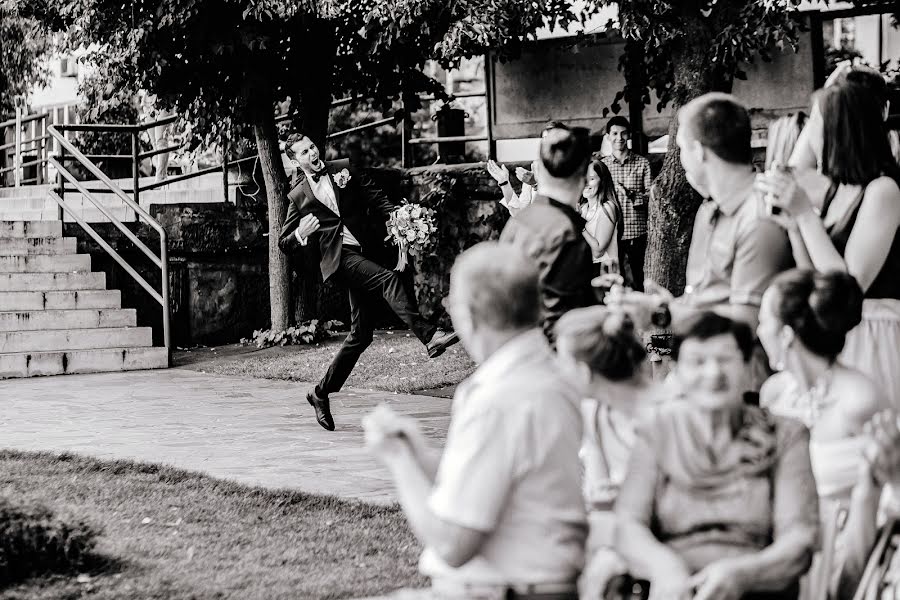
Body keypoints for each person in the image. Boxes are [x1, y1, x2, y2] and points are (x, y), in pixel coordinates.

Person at [363, 241, 587, 600]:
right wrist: (418, 451)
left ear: (469, 314)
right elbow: (493, 479)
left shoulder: (498, 399)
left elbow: (453, 544)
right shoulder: (553, 375)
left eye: (450, 304)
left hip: (505, 590)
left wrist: (397, 459)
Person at [615, 312, 820, 600]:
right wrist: (665, 568)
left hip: (756, 591)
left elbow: (799, 540)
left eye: (725, 359)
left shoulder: (786, 434)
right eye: (698, 361)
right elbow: (627, 525)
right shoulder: (657, 430)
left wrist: (742, 575)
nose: (713, 373)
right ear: (677, 371)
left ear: (749, 367)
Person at [609, 93, 794, 390]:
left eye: (681, 149)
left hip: (739, 386)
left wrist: (663, 314)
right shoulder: (708, 210)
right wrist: (657, 311)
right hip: (698, 372)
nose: (681, 161)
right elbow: (702, 299)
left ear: (700, 151)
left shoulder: (760, 216)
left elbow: (745, 324)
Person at [278, 132, 458, 431]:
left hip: (363, 250)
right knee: (388, 280)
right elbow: (284, 242)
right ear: (295, 160)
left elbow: (375, 197)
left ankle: (319, 393)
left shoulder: (343, 169)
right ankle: (429, 336)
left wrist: (402, 218)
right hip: (339, 259)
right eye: (304, 152)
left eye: (313, 147)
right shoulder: (297, 194)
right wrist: (301, 234)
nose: (312, 153)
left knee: (361, 335)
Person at [757, 80, 900, 412]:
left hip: (874, 334)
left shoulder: (883, 190)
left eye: (817, 124)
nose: (812, 135)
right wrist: (795, 227)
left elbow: (850, 286)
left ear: (840, 130)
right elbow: (816, 278)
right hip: (839, 334)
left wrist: (805, 214)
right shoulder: (838, 191)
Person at [757, 269, 885, 600]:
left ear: (785, 335)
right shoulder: (773, 395)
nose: (759, 332)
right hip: (780, 553)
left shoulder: (861, 400)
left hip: (846, 555)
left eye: (763, 322)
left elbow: (888, 492)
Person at [554, 306, 662, 600]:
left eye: (562, 362)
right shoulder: (595, 414)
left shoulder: (665, 414)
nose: (558, 372)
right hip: (623, 538)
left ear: (584, 372)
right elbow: (598, 497)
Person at [499, 124, 596, 345]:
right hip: (552, 357)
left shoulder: (518, 222)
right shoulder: (567, 233)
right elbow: (563, 323)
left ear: (541, 168)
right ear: (585, 174)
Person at [601, 116, 651, 291]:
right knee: (616, 278)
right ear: (608, 136)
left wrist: (632, 194)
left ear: (629, 135)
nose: (619, 138)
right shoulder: (603, 166)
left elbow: (651, 198)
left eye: (623, 133)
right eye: (614, 133)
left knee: (640, 278)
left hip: (638, 231)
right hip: (612, 232)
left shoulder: (642, 163)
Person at [580, 160, 621, 276]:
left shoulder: (607, 207)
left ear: (602, 181)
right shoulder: (583, 208)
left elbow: (598, 251)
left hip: (602, 271)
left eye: (592, 179)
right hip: (583, 270)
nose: (586, 183)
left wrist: (580, 225)